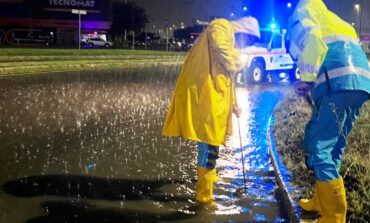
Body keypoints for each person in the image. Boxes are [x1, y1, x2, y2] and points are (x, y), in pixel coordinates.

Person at [162, 16, 260, 204]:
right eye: (248, 39)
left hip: (214, 99)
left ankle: (208, 181)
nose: (246, 44)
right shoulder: (221, 26)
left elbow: (226, 77)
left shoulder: (230, 38)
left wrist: (234, 104)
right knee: (209, 145)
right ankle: (204, 197)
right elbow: (228, 60)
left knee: (211, 145)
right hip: (206, 98)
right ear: (243, 31)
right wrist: (239, 61)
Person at [287, 0, 370, 222]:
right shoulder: (332, 19)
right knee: (334, 147)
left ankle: (333, 216)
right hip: (360, 84)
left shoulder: (301, 13)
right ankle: (321, 200)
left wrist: (305, 79)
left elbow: (313, 42)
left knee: (317, 145)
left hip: (337, 82)